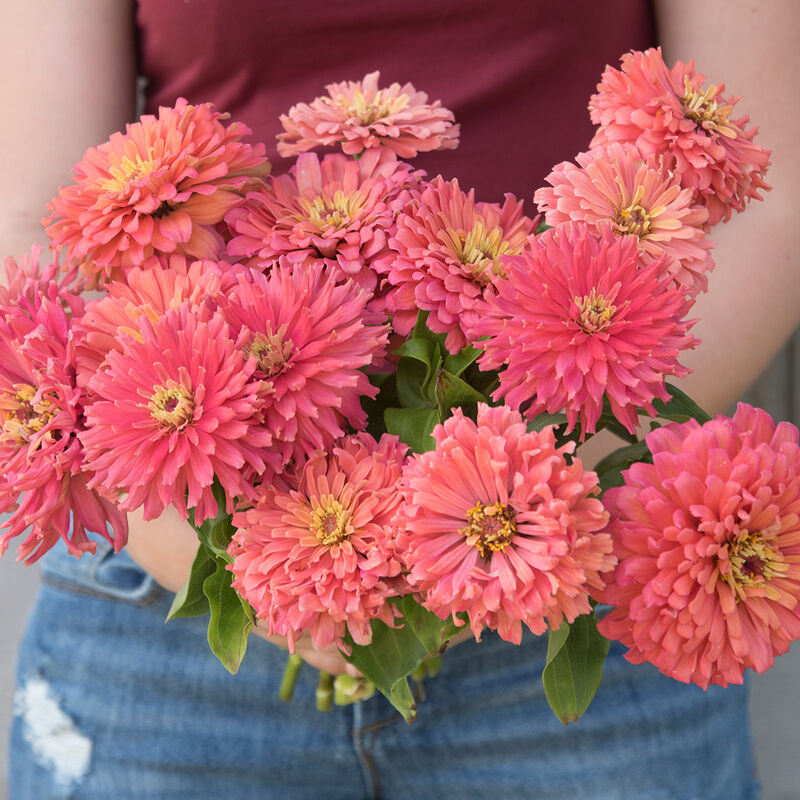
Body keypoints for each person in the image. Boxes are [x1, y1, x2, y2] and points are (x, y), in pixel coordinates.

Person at [1, 1, 798, 797]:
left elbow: (776, 190)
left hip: (577, 560)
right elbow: (38, 216)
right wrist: (212, 546)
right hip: (174, 573)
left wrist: (527, 496)